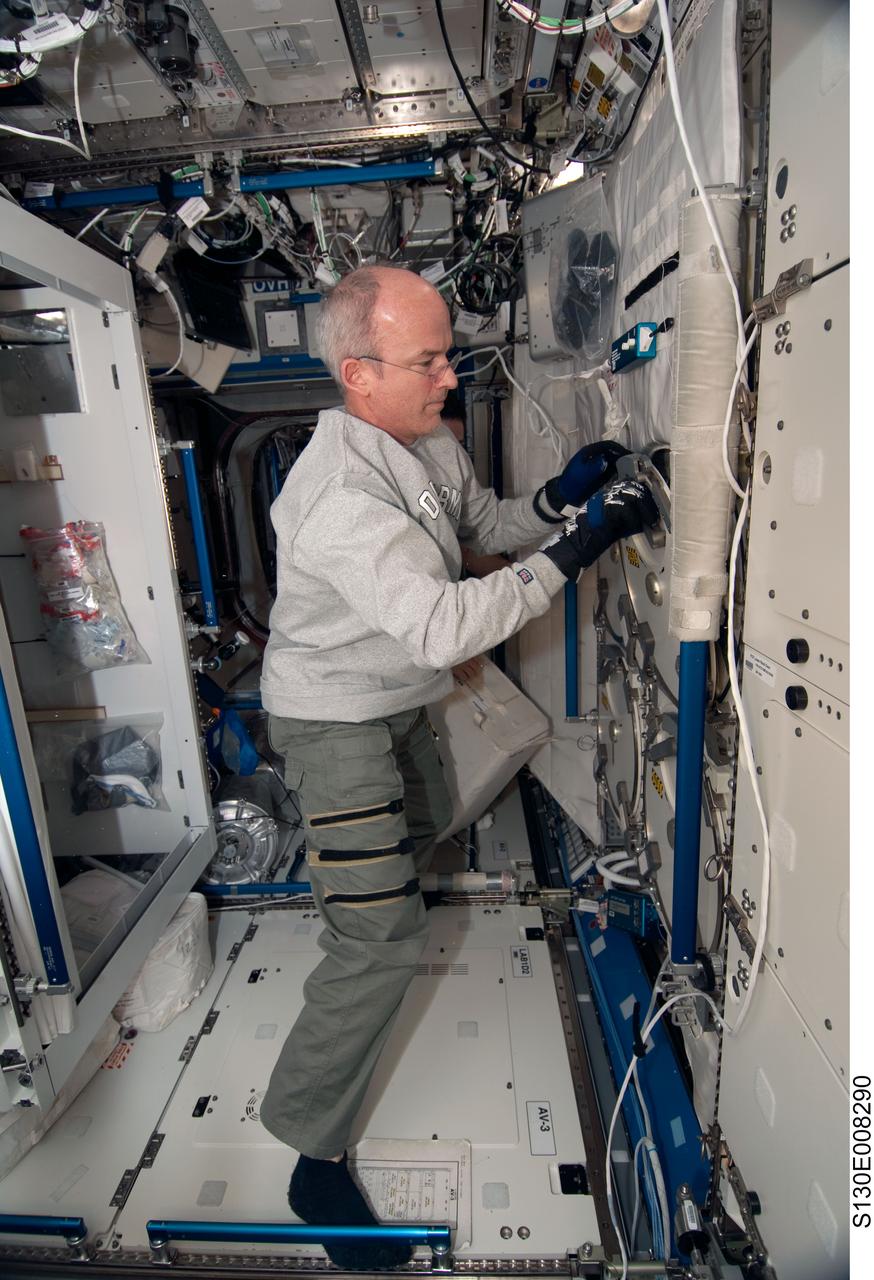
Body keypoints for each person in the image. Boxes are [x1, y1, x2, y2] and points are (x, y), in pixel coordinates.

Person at [259, 263, 656, 1270]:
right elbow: (442, 623)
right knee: (380, 936)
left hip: (395, 701)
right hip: (333, 717)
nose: (448, 374)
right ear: (358, 372)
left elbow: (475, 528)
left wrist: (556, 499)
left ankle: (363, 891)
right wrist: (576, 550)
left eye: (446, 352)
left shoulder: (419, 437)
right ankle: (310, 1148)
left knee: (426, 827)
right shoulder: (337, 493)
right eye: (427, 358)